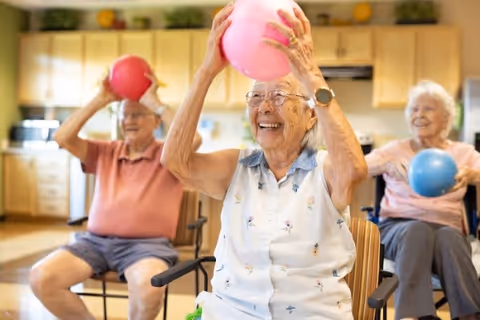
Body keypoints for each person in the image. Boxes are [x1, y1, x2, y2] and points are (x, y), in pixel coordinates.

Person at [161, 4, 367, 320]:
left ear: (310, 116)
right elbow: (174, 161)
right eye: (256, 97)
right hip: (231, 312)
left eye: (280, 97)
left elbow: (354, 170)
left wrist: (311, 76)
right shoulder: (235, 167)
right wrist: (207, 71)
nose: (265, 107)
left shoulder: (323, 170)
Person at [29, 74, 202, 320]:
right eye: (124, 115)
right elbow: (62, 137)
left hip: (146, 247)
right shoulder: (106, 151)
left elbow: (193, 138)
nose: (128, 120)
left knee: (148, 287)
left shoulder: (169, 154)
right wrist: (100, 99)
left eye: (138, 114)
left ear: (156, 121)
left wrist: (154, 102)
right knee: (41, 277)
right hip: (94, 243)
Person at [365, 80, 480, 320]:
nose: (419, 115)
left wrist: (473, 175)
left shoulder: (463, 153)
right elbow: (356, 168)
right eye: (415, 109)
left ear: (447, 117)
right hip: (397, 228)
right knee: (417, 230)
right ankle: (415, 316)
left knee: (450, 237)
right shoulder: (394, 149)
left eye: (428, 109)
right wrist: (383, 164)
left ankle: (470, 315)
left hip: (446, 228)